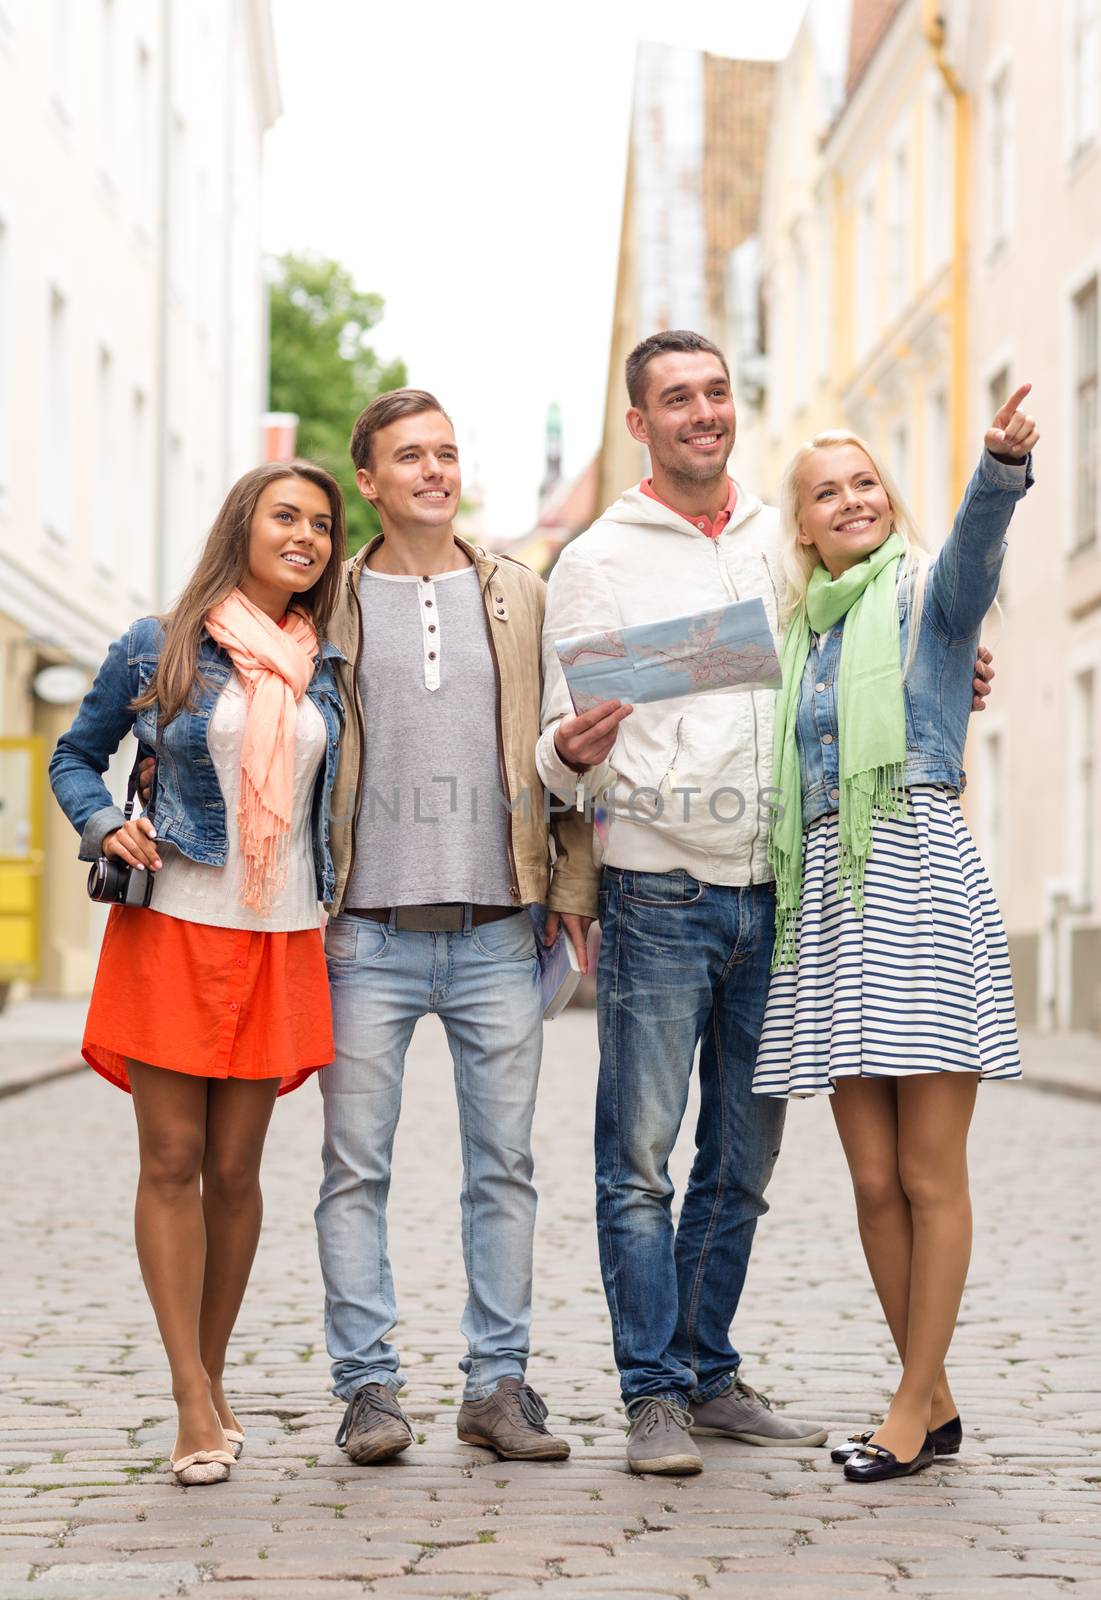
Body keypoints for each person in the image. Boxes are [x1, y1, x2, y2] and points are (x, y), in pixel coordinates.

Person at [538, 329, 995, 1476]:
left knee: (744, 1163)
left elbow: (870, 638)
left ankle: (708, 1367)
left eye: (716, 391)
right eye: (675, 399)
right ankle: (652, 1393)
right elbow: (560, 743)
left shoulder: (779, 538)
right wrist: (569, 749)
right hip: (660, 885)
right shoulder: (599, 557)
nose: (703, 411)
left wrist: (949, 664)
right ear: (638, 422)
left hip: (788, 898)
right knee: (640, 1159)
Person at [752, 388, 1037, 1483]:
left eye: (866, 481)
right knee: (871, 1178)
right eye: (828, 492)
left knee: (928, 1171)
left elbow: (974, 552)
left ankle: (910, 1408)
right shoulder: (798, 639)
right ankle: (938, 1393)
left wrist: (999, 469)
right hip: (826, 892)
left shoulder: (927, 597)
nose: (853, 499)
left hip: (916, 873)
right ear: (806, 526)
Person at [49, 460, 348, 1486]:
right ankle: (188, 1398)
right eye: (285, 516)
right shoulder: (160, 641)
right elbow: (72, 756)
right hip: (175, 923)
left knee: (236, 1175)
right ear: (244, 526)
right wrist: (104, 822)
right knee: (171, 1161)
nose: (304, 535)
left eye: (320, 523)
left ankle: (213, 1374)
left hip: (279, 933)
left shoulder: (328, 664)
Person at [315, 388, 599, 1467]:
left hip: (496, 931)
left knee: (504, 1166)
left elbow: (563, 752)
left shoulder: (518, 592)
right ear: (370, 481)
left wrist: (568, 883)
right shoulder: (328, 601)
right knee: (354, 1168)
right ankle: (368, 1386)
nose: (434, 470)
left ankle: (498, 1385)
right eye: (409, 456)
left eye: (446, 452)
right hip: (364, 937)